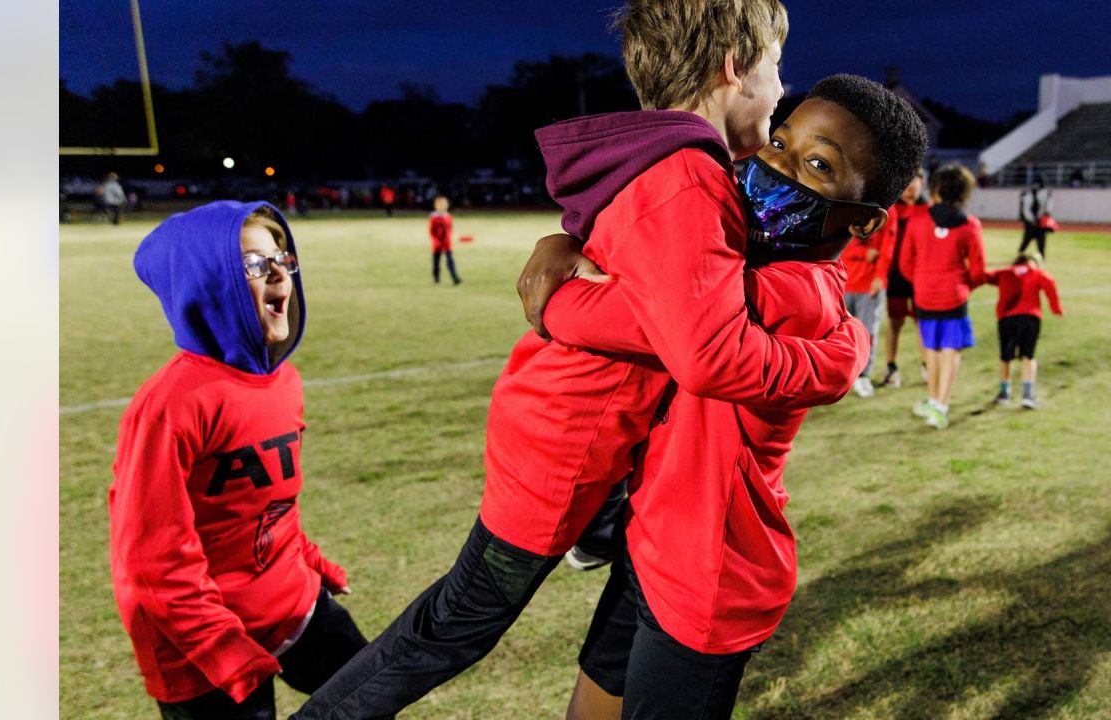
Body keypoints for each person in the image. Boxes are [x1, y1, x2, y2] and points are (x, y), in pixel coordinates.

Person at [290, 3, 874, 718]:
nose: (781, 89)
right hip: (564, 449)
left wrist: (562, 262)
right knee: (458, 624)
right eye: (776, 67)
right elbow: (700, 342)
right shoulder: (688, 176)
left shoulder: (679, 159)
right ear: (734, 67)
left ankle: (600, 529)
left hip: (571, 431)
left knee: (464, 618)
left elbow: (660, 294)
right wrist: (843, 354)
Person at [548, 74, 927, 720]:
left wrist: (556, 279)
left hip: (710, 576)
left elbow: (614, 315)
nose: (776, 164)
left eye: (816, 164)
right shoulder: (750, 262)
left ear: (863, 222)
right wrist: (566, 240)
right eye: (779, 142)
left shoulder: (795, 295)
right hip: (653, 537)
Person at [110, 201, 367, 719]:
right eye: (254, 264)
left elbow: (265, 507)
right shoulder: (171, 406)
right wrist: (222, 649)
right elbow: (150, 561)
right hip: (198, 641)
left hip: (288, 603)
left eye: (282, 259)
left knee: (375, 695)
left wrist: (309, 561)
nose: (279, 274)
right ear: (209, 285)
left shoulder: (283, 382)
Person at [901, 163, 986, 430]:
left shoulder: (918, 219)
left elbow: (905, 262)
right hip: (954, 297)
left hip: (924, 295)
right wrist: (962, 286)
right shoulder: (970, 225)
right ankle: (941, 405)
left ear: (936, 189)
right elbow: (979, 271)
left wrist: (922, 282)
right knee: (950, 351)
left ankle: (933, 401)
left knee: (932, 349)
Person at [987, 251, 1063, 409]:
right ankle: (1027, 395)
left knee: (1005, 356)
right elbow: (1050, 284)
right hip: (1030, 318)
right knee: (1028, 356)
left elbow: (984, 276)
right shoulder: (1037, 273)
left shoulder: (1006, 274)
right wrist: (1056, 309)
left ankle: (1004, 393)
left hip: (1006, 319)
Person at [841, 181, 895, 398]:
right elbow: (843, 246)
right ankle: (841, 376)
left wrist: (880, 277)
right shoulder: (848, 202)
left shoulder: (888, 210)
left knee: (867, 332)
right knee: (836, 331)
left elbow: (887, 249)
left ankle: (863, 376)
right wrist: (864, 255)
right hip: (844, 279)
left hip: (869, 283)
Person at [879, 170, 930, 388]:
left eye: (914, 185)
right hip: (895, 276)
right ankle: (891, 367)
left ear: (922, 185)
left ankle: (928, 366)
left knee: (923, 323)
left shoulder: (929, 212)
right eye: (907, 185)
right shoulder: (890, 210)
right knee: (895, 322)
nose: (910, 190)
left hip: (920, 277)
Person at [428, 195, 461, 285]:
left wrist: (449, 239)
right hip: (437, 243)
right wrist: (436, 241)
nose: (443, 206)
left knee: (450, 260)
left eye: (444, 204)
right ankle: (436, 278)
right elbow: (431, 231)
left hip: (446, 243)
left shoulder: (448, 216)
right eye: (440, 204)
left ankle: (455, 277)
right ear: (436, 205)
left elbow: (450, 229)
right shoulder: (433, 217)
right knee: (436, 262)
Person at [1018, 176, 1053, 258]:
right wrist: (1031, 219)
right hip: (1030, 222)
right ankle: (1020, 257)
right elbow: (1025, 209)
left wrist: (1042, 218)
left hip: (1040, 222)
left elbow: (1048, 208)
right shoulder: (1027, 194)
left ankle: (1041, 258)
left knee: (1041, 243)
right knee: (1026, 240)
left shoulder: (1046, 193)